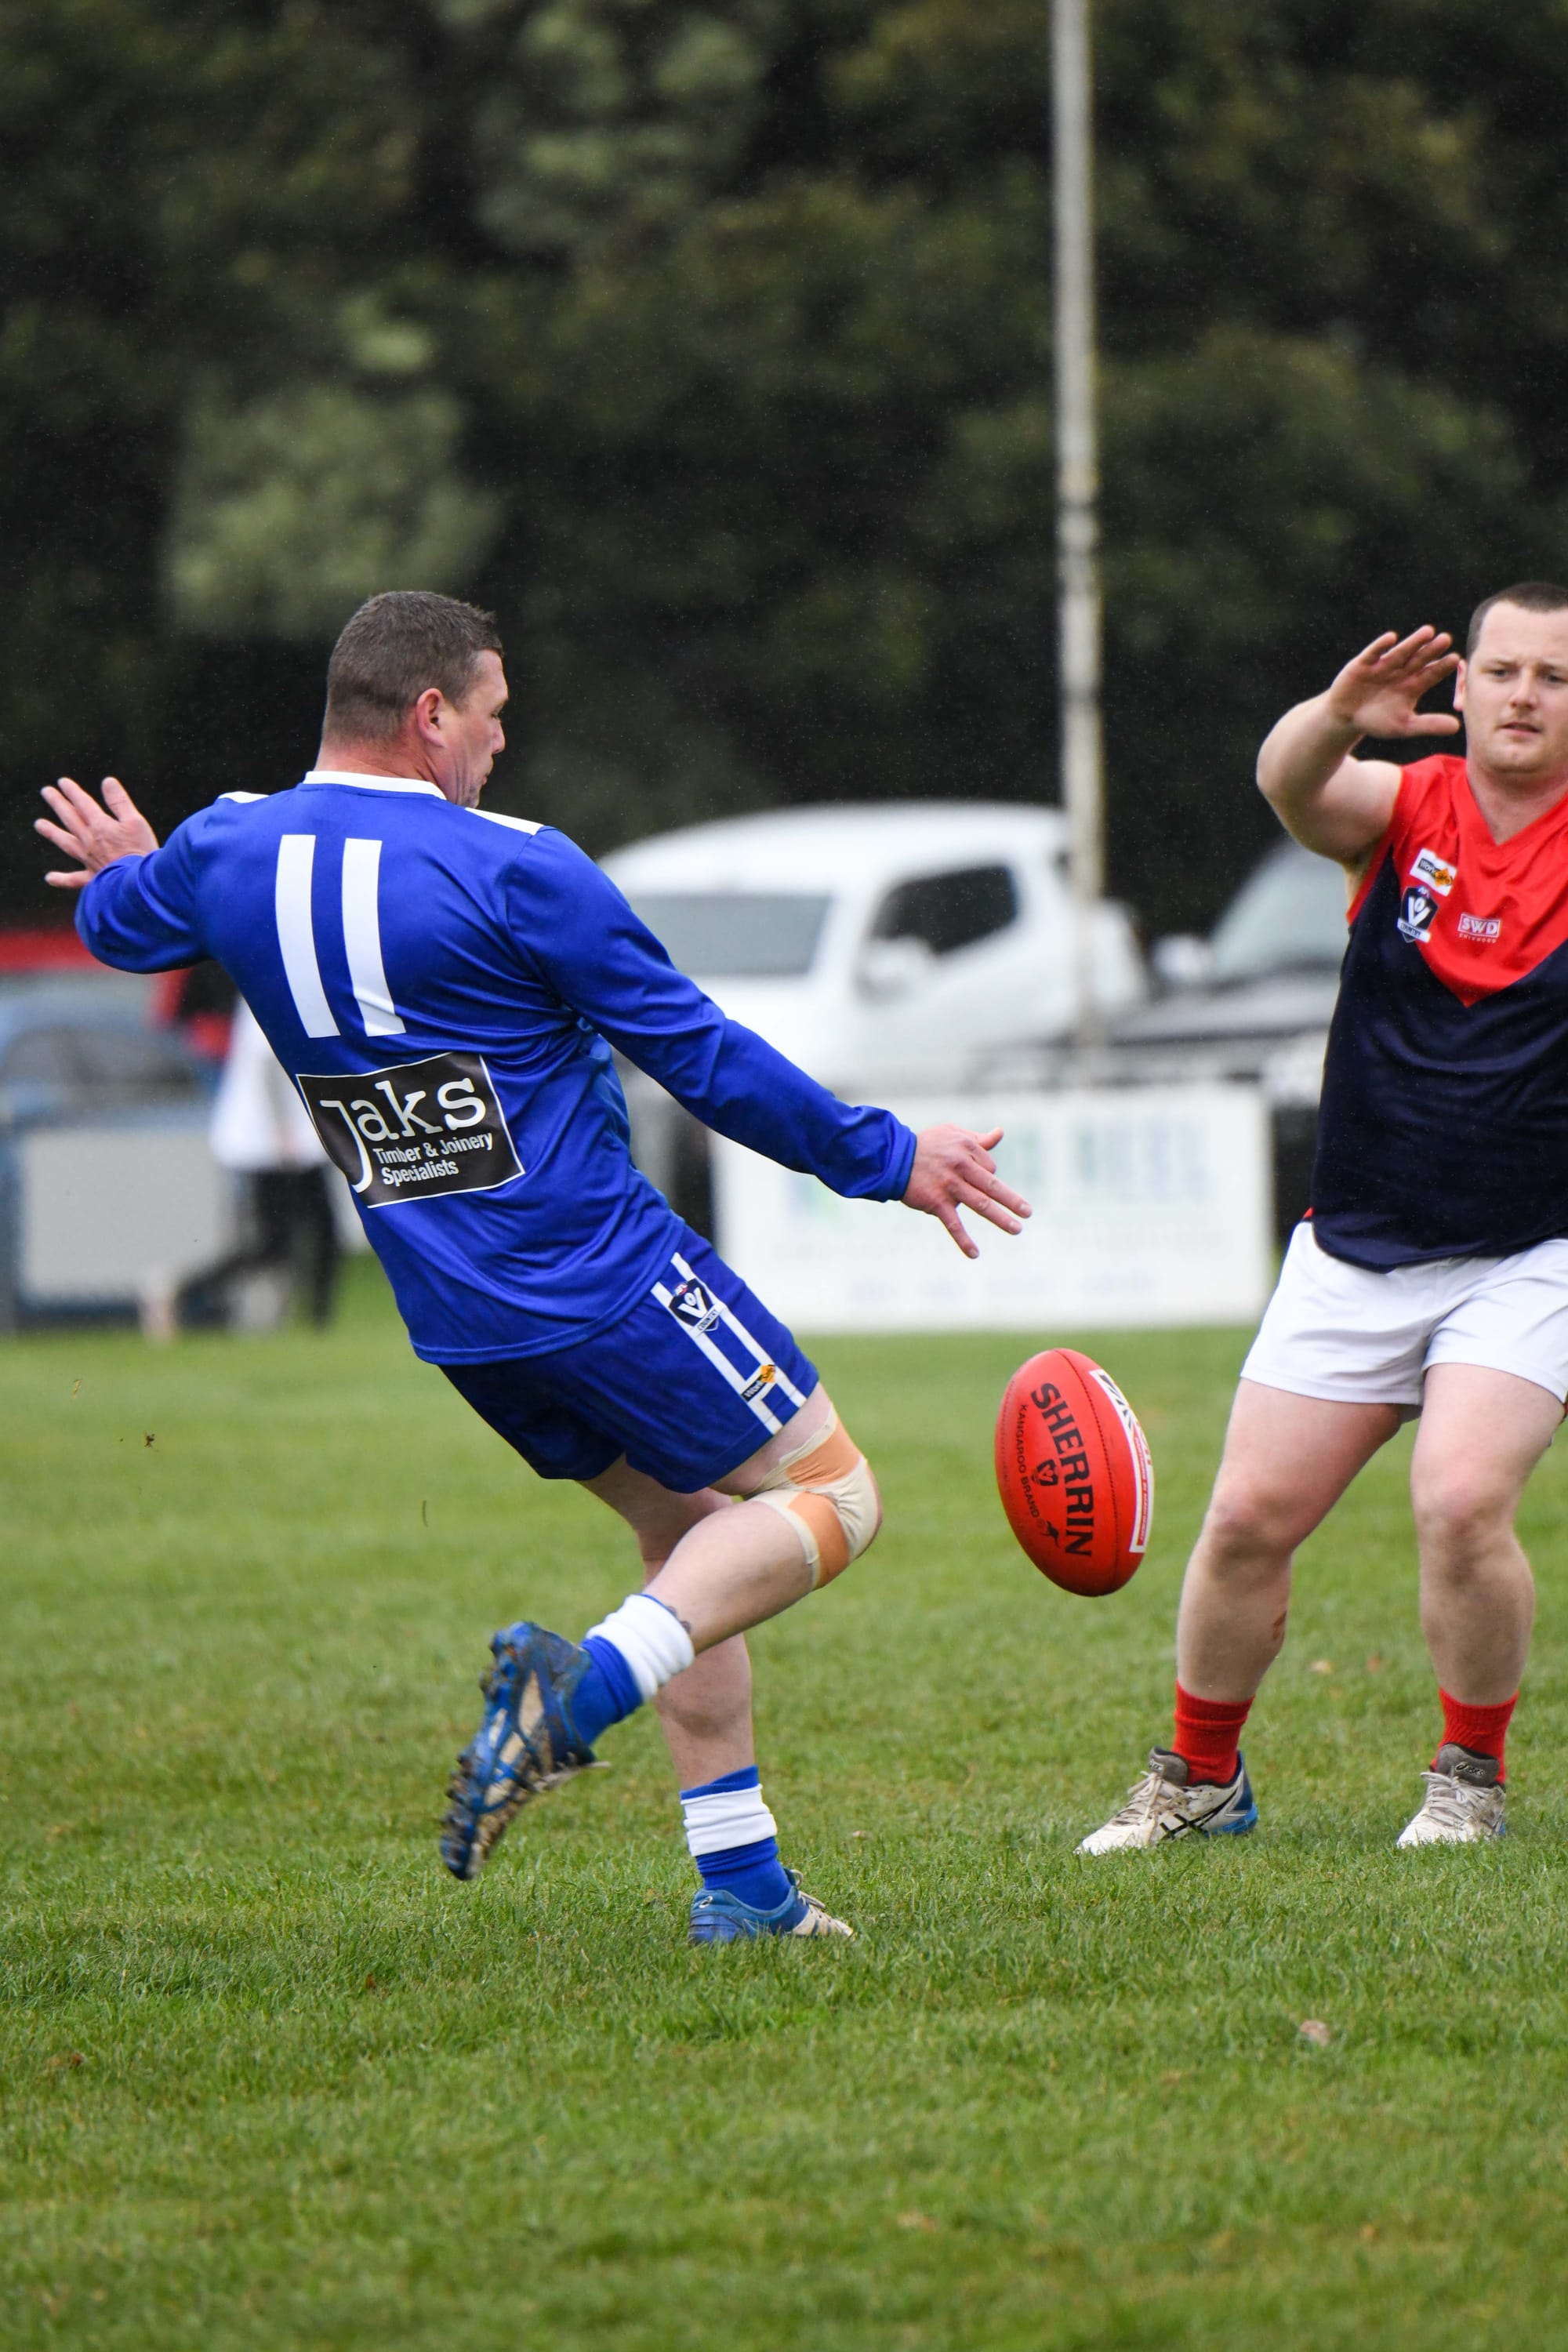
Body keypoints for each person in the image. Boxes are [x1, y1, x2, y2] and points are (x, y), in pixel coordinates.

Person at [38, 590, 1029, 1940]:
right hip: (599, 1274)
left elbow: (115, 927)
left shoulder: (225, 850)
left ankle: (742, 1893)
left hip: (458, 1319)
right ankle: (576, 1697)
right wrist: (886, 1157)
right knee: (829, 1499)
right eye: (492, 716)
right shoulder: (518, 866)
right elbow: (704, 1058)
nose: (501, 745)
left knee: (693, 1539)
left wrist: (124, 870)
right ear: (430, 713)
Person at [1079, 583, 1568, 1853]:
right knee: (1245, 1521)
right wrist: (1338, 714)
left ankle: (1468, 1778)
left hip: (1533, 1251)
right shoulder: (1406, 806)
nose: (1523, 695)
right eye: (1504, 670)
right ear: (1461, 691)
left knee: (1460, 1499)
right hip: (1356, 1241)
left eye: (1554, 679)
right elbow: (1292, 787)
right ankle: (1198, 1780)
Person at [153, 998, 342, 1338]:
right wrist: (282, 1130)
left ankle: (317, 1320)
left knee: (307, 1235)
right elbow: (266, 1062)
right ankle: (178, 1289)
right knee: (282, 1241)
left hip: (290, 1139)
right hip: (275, 1143)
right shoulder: (268, 988)